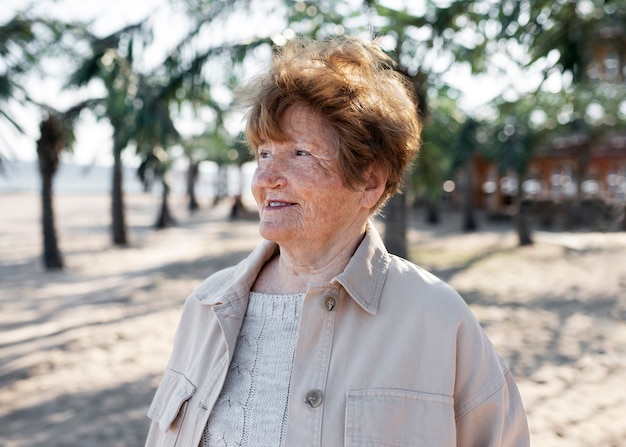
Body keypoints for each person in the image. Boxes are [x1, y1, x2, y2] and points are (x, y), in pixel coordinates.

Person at [145, 35, 529, 447]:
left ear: (370, 182)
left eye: (300, 153)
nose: (266, 178)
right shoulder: (206, 306)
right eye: (263, 154)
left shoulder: (438, 319)